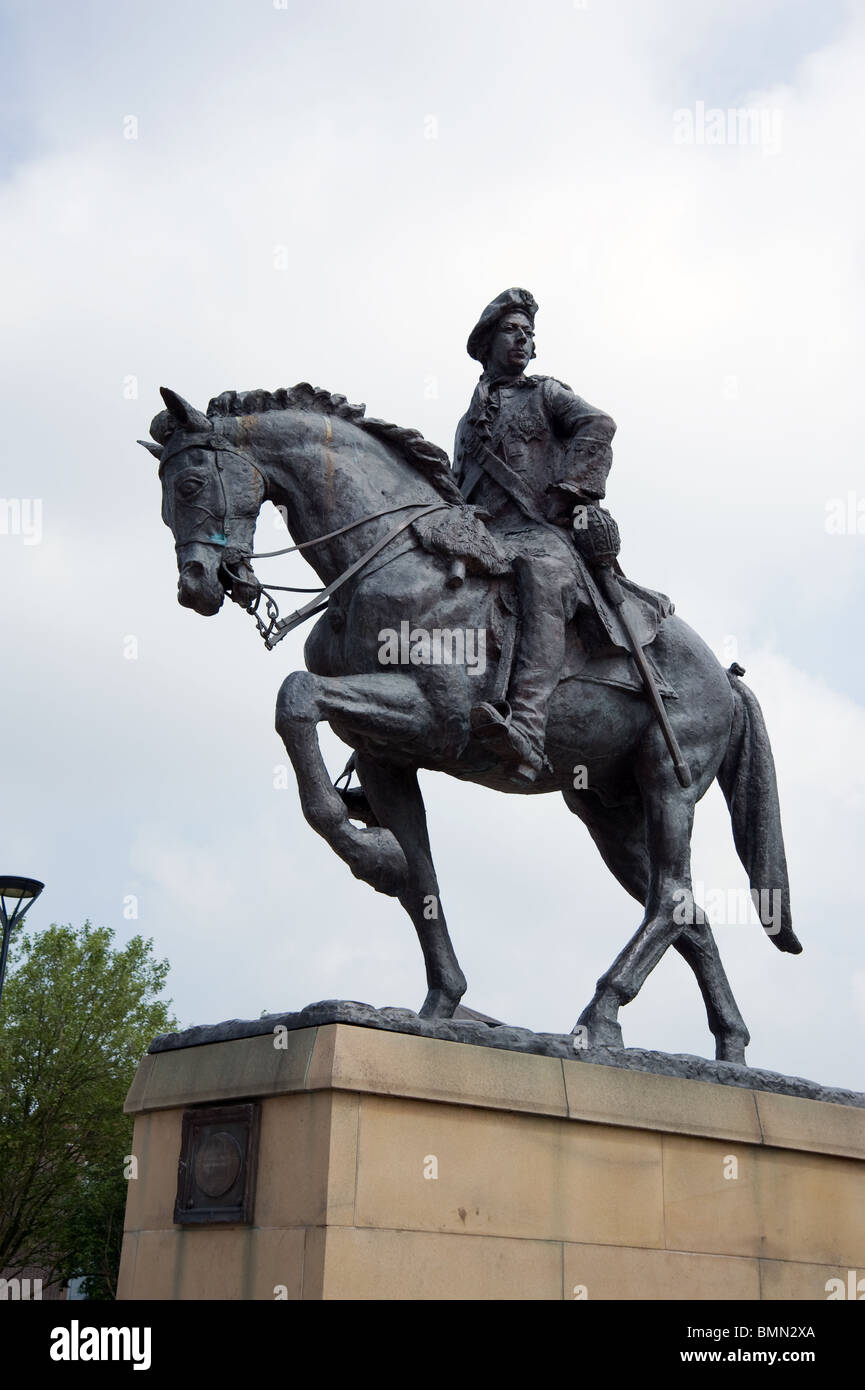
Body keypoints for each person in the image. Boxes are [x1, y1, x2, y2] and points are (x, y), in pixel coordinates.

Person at [453, 287, 617, 781]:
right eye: (511, 331)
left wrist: (568, 491)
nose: (522, 341)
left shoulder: (545, 393)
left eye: (528, 334)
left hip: (540, 534)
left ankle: (526, 725)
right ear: (486, 342)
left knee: (540, 575)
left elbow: (599, 424)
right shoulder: (466, 423)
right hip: (486, 534)